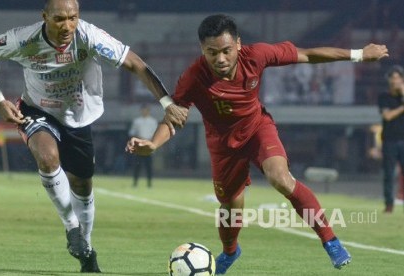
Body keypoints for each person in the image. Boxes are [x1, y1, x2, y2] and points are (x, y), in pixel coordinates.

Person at [126, 14, 388, 274]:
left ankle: (330, 240)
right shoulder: (194, 77)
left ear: (238, 44)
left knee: (281, 179)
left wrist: (358, 55)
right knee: (230, 208)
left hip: (257, 129)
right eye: (212, 52)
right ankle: (230, 252)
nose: (220, 59)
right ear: (202, 50)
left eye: (226, 51)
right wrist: (153, 144)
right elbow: (174, 117)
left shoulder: (257, 55)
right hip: (222, 144)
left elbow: (307, 55)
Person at [0, 0, 187, 273]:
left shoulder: (89, 37)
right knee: (47, 157)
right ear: (45, 17)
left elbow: (135, 64)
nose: (67, 26)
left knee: (82, 185)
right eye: (59, 19)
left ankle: (85, 248)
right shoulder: (23, 40)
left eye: (72, 18)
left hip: (79, 118)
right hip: (37, 110)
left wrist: (167, 103)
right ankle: (71, 227)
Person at [377, 65, 404, 213]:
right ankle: (389, 204)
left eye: (398, 78)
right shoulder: (384, 97)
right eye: (393, 78)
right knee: (389, 173)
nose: (395, 81)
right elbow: (387, 116)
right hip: (390, 141)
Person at [128, 104, 158, 188]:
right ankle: (135, 183)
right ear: (141, 111)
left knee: (149, 166)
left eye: (146, 110)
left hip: (148, 145)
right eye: (143, 110)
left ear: (148, 111)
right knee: (137, 165)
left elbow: (155, 134)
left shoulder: (153, 121)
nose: (144, 111)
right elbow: (132, 132)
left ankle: (149, 183)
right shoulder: (137, 121)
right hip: (139, 145)